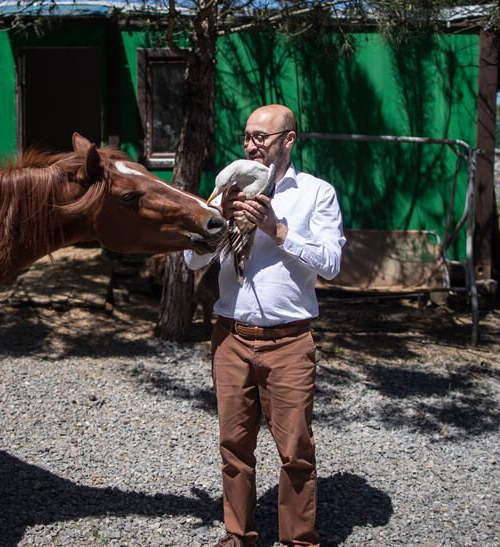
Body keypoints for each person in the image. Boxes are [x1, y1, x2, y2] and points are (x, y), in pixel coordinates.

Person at [185, 104, 345, 547]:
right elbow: (191, 259)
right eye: (247, 137)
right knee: (234, 448)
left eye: (262, 137)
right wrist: (218, 221)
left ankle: (298, 540)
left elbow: (332, 264)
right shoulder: (225, 191)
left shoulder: (316, 194)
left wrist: (278, 231)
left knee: (295, 451)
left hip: (289, 342)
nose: (251, 145)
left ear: (289, 140)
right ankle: (238, 536)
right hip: (231, 337)